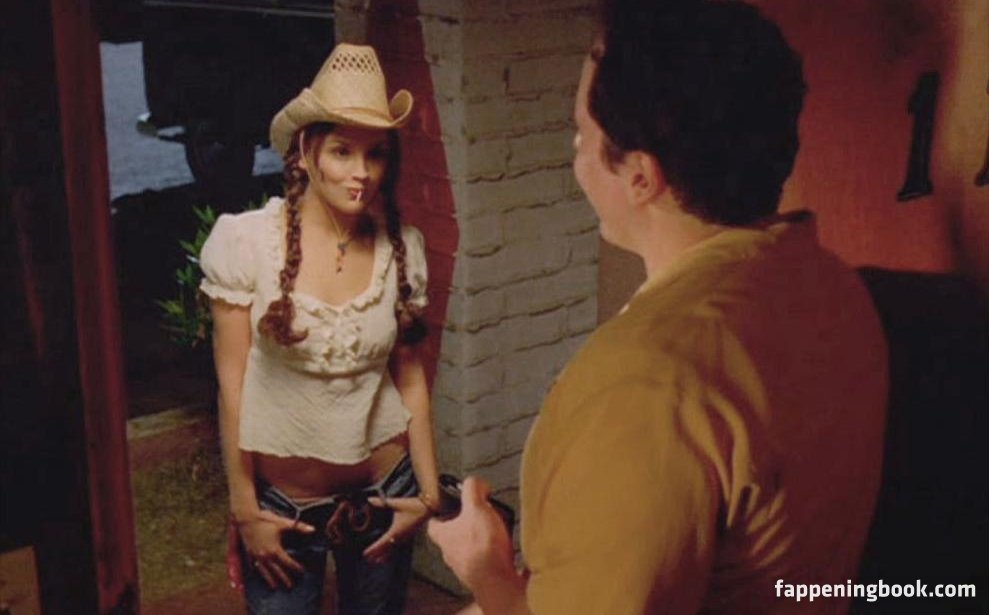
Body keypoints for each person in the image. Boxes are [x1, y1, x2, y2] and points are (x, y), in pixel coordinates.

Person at [427, 1, 889, 613]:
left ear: (640, 177)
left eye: (582, 135)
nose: (576, 153)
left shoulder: (647, 385)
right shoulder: (829, 282)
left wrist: (484, 569)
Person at [200, 42, 442, 615]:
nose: (362, 173)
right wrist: (245, 510)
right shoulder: (246, 243)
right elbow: (232, 385)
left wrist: (428, 495)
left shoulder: (402, 249)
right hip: (282, 510)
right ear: (306, 151)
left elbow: (410, 379)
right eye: (342, 151)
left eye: (376, 154)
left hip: (387, 494)